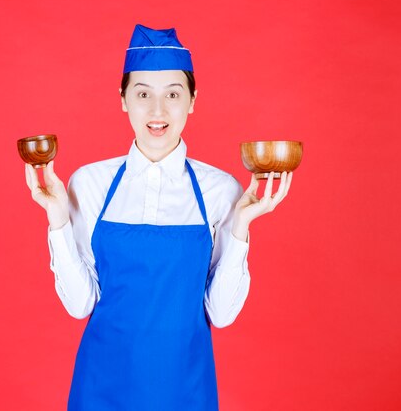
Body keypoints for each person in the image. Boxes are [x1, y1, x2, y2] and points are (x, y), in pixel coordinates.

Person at [24, 24, 293, 411]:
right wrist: (57, 219)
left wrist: (241, 227)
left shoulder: (221, 190)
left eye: (173, 94)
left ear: (193, 100)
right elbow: (80, 304)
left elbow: (221, 313)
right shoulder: (90, 183)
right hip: (102, 387)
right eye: (143, 94)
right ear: (123, 99)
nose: (157, 111)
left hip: (186, 388)